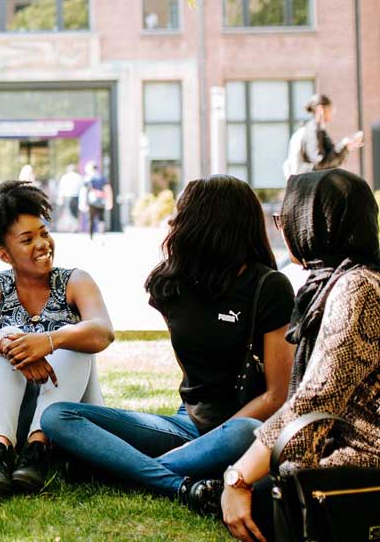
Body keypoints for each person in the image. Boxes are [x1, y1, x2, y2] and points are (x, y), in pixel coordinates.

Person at [42, 175, 296, 515]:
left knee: (243, 432)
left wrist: (211, 440)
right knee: (58, 416)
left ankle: (119, 470)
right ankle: (179, 482)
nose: (172, 220)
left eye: (182, 211)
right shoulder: (169, 284)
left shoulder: (269, 286)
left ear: (210, 220)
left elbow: (278, 396)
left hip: (241, 427)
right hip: (185, 424)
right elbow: (195, 371)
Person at [221, 169, 380, 542]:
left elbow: (315, 400)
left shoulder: (356, 289)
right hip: (338, 450)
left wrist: (238, 479)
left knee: (252, 503)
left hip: (361, 466)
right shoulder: (340, 281)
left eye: (285, 219)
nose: (282, 229)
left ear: (313, 224)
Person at [0, 180, 114, 499]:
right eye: (27, 239)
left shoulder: (75, 281)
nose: (43, 244)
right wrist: (12, 345)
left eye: (44, 233)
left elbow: (103, 330)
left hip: (63, 418)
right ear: (4, 254)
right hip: (1, 416)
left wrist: (49, 341)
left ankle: (37, 448)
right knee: (6, 338)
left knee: (77, 339)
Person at [282, 93, 363, 179]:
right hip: (311, 187)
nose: (332, 114)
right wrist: (343, 145)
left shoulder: (319, 130)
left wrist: (347, 147)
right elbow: (320, 162)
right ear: (320, 109)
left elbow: (329, 160)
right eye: (330, 110)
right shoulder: (313, 130)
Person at [82, 162, 112, 241]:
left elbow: (85, 191)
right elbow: (108, 189)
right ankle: (102, 235)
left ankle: (91, 237)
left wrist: (84, 203)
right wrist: (109, 201)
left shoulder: (88, 178)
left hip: (91, 201)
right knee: (101, 218)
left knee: (91, 219)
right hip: (101, 201)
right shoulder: (102, 177)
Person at [57, 163, 83, 232]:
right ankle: (75, 227)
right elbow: (82, 188)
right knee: (75, 213)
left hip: (68, 197)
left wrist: (60, 198)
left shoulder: (65, 177)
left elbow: (61, 188)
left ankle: (71, 227)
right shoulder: (79, 177)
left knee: (69, 212)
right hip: (77, 197)